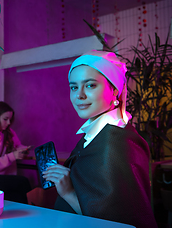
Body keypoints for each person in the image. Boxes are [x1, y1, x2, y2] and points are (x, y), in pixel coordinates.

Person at [43, 51, 157, 228]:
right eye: (74, 87)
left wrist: (68, 192)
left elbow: (114, 222)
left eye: (90, 85)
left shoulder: (115, 143)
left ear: (114, 91)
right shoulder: (98, 133)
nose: (79, 95)